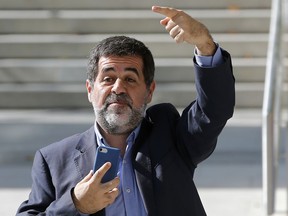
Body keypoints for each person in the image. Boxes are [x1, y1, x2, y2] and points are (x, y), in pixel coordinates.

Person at [16, 5, 235, 216]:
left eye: (130, 79)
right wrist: (76, 205)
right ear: (90, 90)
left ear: (149, 91)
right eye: (108, 79)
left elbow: (214, 110)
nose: (118, 88)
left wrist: (206, 46)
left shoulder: (172, 137)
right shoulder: (54, 160)